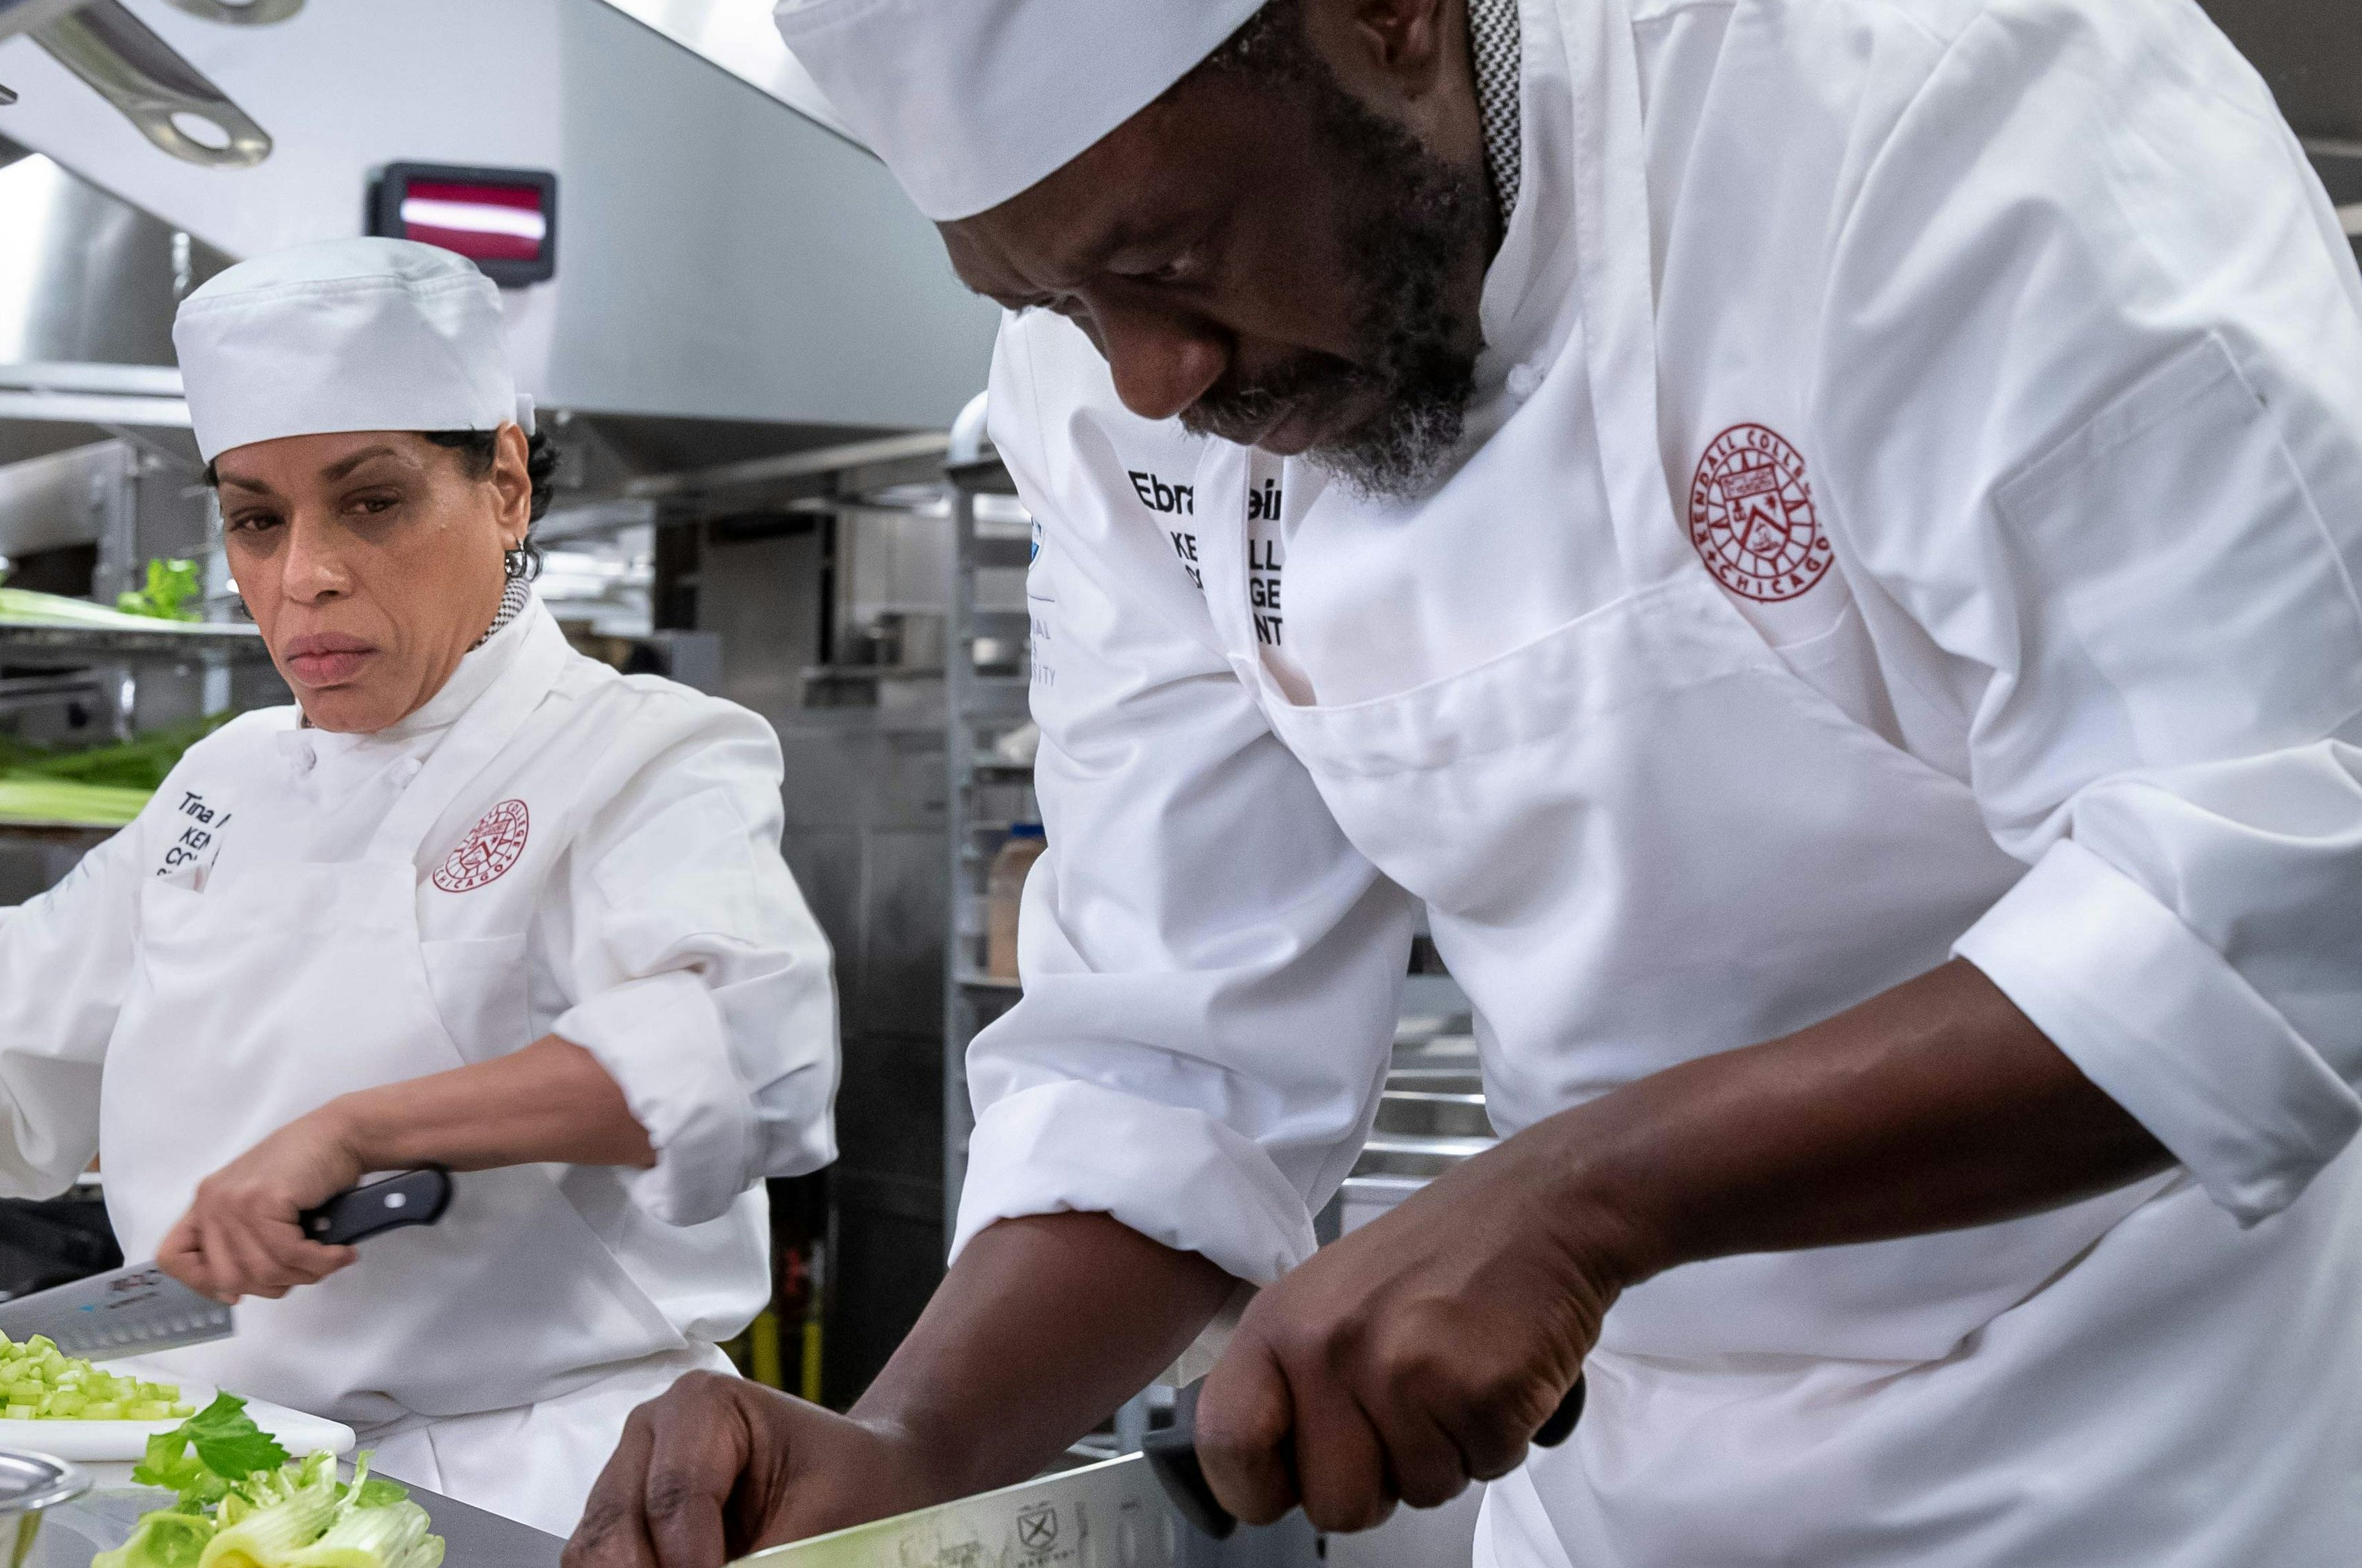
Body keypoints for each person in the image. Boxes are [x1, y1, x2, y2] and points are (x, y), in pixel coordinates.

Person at [565, 1, 2362, 1563]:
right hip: (1628, 1471)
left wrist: (1588, 1200)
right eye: (1049, 300)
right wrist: (916, 1449)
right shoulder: (1114, 403)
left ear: (1389, 14)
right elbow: (1174, 1042)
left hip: (2167, 1432)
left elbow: (2278, 879)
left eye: (1168, 261)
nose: (1148, 377)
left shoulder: (1939, 107)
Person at [0, 238, 840, 1535]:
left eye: (371, 503)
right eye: (256, 518)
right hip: (233, 1484)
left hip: (556, 1503)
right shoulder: (230, 779)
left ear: (503, 483)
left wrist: (363, 1131)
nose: (303, 575)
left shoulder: (639, 748)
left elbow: (736, 1039)